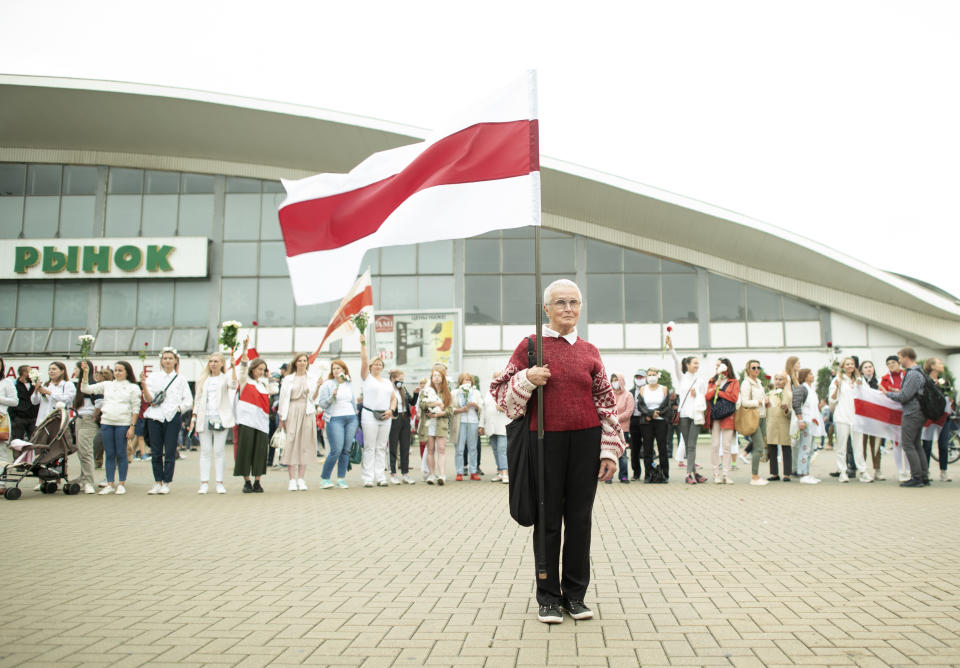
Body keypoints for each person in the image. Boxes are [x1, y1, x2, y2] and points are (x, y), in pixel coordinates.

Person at [490, 278, 624, 625]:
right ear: (546, 309)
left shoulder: (590, 351)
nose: (568, 309)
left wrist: (609, 451)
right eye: (560, 303)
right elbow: (502, 396)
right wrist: (527, 379)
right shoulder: (530, 346)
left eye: (574, 302)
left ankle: (575, 596)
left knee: (580, 520)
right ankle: (548, 597)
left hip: (586, 440)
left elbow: (606, 403)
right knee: (548, 521)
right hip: (544, 440)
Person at [81, 361, 140, 495]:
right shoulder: (107, 385)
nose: (117, 373)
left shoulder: (132, 387)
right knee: (109, 453)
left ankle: (121, 483)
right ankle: (109, 483)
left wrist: (132, 426)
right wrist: (85, 374)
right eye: (116, 370)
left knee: (121, 453)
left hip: (123, 423)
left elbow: (135, 408)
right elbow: (86, 389)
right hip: (107, 422)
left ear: (127, 372)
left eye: (120, 370)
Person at [140, 347, 192, 495]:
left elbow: (189, 400)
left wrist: (179, 409)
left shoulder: (181, 379)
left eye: (170, 358)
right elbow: (148, 399)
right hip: (155, 416)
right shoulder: (153, 377)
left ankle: (166, 482)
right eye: (165, 358)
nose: (167, 361)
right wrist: (144, 385)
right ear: (161, 361)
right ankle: (157, 481)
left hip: (172, 416)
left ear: (176, 360)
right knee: (156, 451)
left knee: (170, 450)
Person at [190, 351, 238, 495]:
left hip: (220, 418)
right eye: (211, 361)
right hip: (204, 417)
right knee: (205, 451)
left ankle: (219, 482)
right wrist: (194, 417)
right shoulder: (203, 379)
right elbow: (197, 399)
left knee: (219, 451)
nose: (213, 364)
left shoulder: (225, 378)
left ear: (222, 363)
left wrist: (234, 367)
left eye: (216, 361)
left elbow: (234, 384)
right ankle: (204, 482)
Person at [885, 347, 928, 487]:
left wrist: (887, 394)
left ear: (906, 357)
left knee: (908, 444)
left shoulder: (913, 374)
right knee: (916, 444)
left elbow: (905, 396)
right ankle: (923, 475)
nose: (899, 361)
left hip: (912, 413)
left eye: (900, 358)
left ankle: (916, 477)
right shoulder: (919, 372)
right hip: (919, 412)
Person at [235, 354, 279, 491]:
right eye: (259, 369)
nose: (260, 372)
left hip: (261, 422)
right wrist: (244, 351)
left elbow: (274, 390)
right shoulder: (244, 381)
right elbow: (242, 369)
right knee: (245, 450)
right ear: (252, 368)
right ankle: (247, 481)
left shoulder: (263, 383)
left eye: (263, 369)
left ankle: (257, 481)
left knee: (260, 452)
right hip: (246, 421)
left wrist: (269, 376)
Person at [666, 337, 707, 484]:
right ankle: (693, 473)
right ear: (688, 365)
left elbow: (704, 396)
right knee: (688, 444)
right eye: (695, 363)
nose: (697, 365)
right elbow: (676, 362)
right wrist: (671, 347)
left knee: (691, 445)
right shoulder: (681, 378)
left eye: (698, 363)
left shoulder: (700, 380)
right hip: (683, 415)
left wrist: (698, 394)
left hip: (696, 416)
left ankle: (689, 473)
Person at [358, 336, 396, 488]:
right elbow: (364, 361)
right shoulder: (367, 378)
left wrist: (391, 410)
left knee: (381, 447)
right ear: (371, 366)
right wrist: (363, 344)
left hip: (385, 416)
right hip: (369, 415)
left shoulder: (387, 382)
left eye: (380, 364)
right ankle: (368, 477)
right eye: (375, 364)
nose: (378, 366)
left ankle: (380, 476)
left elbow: (394, 399)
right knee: (369, 446)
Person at [278, 353, 318, 491]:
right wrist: (282, 418)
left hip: (307, 411)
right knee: (291, 443)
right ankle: (291, 479)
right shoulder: (288, 379)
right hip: (292, 410)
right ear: (295, 363)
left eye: (304, 360)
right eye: (299, 361)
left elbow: (313, 398)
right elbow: (283, 398)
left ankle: (301, 478)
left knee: (304, 444)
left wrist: (318, 387)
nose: (302, 363)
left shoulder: (312, 378)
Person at [315, 359, 357, 489]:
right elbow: (322, 404)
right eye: (334, 369)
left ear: (344, 370)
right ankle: (325, 478)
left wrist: (356, 414)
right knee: (336, 450)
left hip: (351, 418)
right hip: (335, 418)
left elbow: (353, 400)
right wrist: (331, 397)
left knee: (346, 450)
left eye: (338, 368)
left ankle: (341, 478)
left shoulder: (348, 383)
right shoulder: (327, 384)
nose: (336, 371)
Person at [829, 357, 870, 482]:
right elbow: (832, 399)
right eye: (847, 364)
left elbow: (868, 396)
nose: (850, 366)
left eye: (852, 364)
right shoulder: (838, 380)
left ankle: (863, 471)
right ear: (843, 366)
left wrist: (860, 387)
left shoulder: (860, 380)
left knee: (858, 446)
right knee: (842, 447)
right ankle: (842, 472)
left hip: (856, 418)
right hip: (842, 417)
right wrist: (836, 387)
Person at [705, 358, 739, 484]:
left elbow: (734, 398)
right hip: (715, 415)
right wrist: (716, 386)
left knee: (726, 445)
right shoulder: (712, 380)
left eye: (720, 365)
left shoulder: (734, 381)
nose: (717, 367)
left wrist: (720, 393)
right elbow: (707, 396)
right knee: (714, 445)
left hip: (728, 415)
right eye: (716, 365)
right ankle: (715, 474)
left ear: (727, 367)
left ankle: (726, 474)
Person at [418, 366, 453, 485]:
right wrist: (436, 403)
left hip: (441, 424)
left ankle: (442, 474)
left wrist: (440, 414)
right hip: (429, 425)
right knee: (430, 450)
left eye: (439, 376)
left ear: (443, 378)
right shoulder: (426, 391)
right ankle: (431, 474)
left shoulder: (447, 393)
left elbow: (450, 409)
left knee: (442, 449)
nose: (436, 378)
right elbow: (422, 405)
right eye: (434, 376)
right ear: (431, 378)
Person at [636, 368, 671, 483]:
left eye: (654, 374)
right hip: (647, 422)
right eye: (650, 375)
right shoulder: (643, 389)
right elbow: (640, 406)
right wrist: (650, 414)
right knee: (647, 449)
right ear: (646, 377)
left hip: (661, 421)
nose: (652, 377)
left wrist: (657, 413)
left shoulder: (664, 389)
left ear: (658, 376)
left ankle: (664, 474)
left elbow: (667, 406)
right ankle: (648, 474)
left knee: (662, 448)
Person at [920, 357, 952, 482]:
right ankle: (925, 471)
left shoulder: (946, 381)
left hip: (944, 417)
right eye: (939, 363)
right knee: (927, 445)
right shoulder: (925, 380)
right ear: (932, 366)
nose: (942, 364)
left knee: (943, 444)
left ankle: (943, 471)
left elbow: (950, 394)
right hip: (930, 417)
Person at [738, 360, 769, 486]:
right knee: (758, 446)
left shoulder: (759, 383)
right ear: (748, 369)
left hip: (762, 416)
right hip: (753, 417)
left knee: (760, 447)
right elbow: (744, 402)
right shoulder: (746, 383)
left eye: (758, 367)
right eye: (753, 367)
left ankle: (756, 475)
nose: (756, 369)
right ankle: (754, 477)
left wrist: (766, 401)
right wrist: (759, 402)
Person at [72, 361, 101, 494]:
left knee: (86, 450)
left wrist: (94, 416)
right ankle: (84, 477)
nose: (75, 371)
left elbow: (100, 402)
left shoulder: (93, 385)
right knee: (80, 450)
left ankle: (89, 481)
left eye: (77, 369)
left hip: (88, 419)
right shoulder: (77, 385)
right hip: (78, 419)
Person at [880, 354, 910, 482]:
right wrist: (892, 392)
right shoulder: (885, 379)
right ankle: (900, 471)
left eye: (893, 362)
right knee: (896, 444)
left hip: (907, 413)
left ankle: (909, 471)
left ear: (899, 363)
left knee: (908, 444)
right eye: (889, 364)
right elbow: (882, 394)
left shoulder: (908, 375)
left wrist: (897, 391)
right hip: (893, 416)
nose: (891, 365)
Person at [793, 368, 823, 483]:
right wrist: (800, 420)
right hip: (806, 421)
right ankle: (802, 473)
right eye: (810, 373)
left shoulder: (812, 390)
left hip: (813, 421)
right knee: (804, 448)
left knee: (810, 449)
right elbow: (796, 404)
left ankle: (807, 472)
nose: (812, 375)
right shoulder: (802, 388)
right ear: (804, 376)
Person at [453, 371, 483, 481]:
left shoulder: (476, 392)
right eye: (466, 379)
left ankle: (473, 471)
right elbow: (451, 408)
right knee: (459, 448)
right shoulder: (455, 392)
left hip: (473, 421)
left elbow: (481, 407)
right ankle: (459, 471)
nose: (468, 382)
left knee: (473, 448)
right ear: (461, 381)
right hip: (460, 421)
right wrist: (462, 409)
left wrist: (474, 405)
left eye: (469, 380)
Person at [480, 371, 509, 483]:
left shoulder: (507, 391)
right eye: (494, 377)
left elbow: (513, 407)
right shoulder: (488, 392)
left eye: (498, 377)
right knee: (496, 450)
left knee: (502, 449)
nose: (496, 379)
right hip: (490, 426)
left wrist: (504, 409)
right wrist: (481, 425)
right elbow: (484, 409)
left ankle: (505, 472)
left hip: (502, 426)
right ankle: (500, 472)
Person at [387, 369, 415, 484]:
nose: (401, 382)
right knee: (393, 446)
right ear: (393, 379)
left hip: (405, 418)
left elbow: (412, 402)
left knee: (405, 447)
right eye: (400, 380)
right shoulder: (388, 389)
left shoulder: (403, 389)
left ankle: (405, 473)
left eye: (403, 380)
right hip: (394, 418)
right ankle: (393, 473)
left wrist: (417, 393)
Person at [859, 361, 884, 481]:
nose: (868, 369)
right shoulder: (859, 382)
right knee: (862, 444)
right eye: (865, 367)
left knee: (876, 445)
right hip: (863, 418)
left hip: (875, 418)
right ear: (861, 370)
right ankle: (863, 470)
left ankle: (877, 469)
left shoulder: (879, 382)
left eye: (870, 367)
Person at [765, 373, 793, 481]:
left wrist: (786, 410)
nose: (778, 381)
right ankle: (774, 474)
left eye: (781, 379)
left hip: (784, 424)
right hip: (771, 423)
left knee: (786, 448)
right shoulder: (770, 394)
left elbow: (792, 413)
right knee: (772, 449)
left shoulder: (789, 395)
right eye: (776, 379)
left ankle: (787, 474)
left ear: (785, 381)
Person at [31, 361, 76, 427]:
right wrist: (36, 391)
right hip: (43, 421)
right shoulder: (45, 385)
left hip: (59, 421)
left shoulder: (68, 384)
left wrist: (48, 393)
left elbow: (67, 399)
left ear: (62, 371)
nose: (51, 371)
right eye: (49, 369)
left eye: (54, 369)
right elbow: (34, 402)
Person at [610, 372, 634, 484]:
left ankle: (623, 476)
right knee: (609, 452)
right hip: (609, 428)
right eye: (613, 380)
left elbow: (629, 411)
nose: (614, 382)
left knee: (623, 454)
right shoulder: (609, 394)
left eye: (616, 380)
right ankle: (608, 475)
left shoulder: (628, 395)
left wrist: (616, 419)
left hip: (623, 429)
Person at [9, 365, 39, 442]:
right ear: (24, 372)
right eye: (30, 371)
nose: (32, 373)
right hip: (19, 417)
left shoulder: (34, 384)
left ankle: (32, 454)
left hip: (33, 417)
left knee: (34, 440)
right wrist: (14, 417)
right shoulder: (14, 385)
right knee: (17, 441)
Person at [628, 369, 647, 480]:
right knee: (634, 448)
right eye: (637, 377)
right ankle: (636, 473)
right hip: (634, 421)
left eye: (641, 377)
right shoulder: (631, 392)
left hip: (646, 420)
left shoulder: (648, 390)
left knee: (647, 448)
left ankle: (648, 472)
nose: (639, 379)